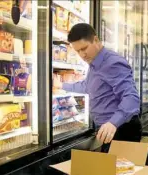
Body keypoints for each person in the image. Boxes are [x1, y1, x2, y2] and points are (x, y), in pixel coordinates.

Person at [53, 23, 141, 152]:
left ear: (96, 40)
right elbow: (87, 87)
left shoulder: (112, 63)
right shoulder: (94, 63)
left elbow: (131, 98)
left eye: (84, 48)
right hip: (107, 129)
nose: (82, 55)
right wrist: (61, 85)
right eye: (77, 51)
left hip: (121, 129)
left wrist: (113, 123)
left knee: (119, 171)